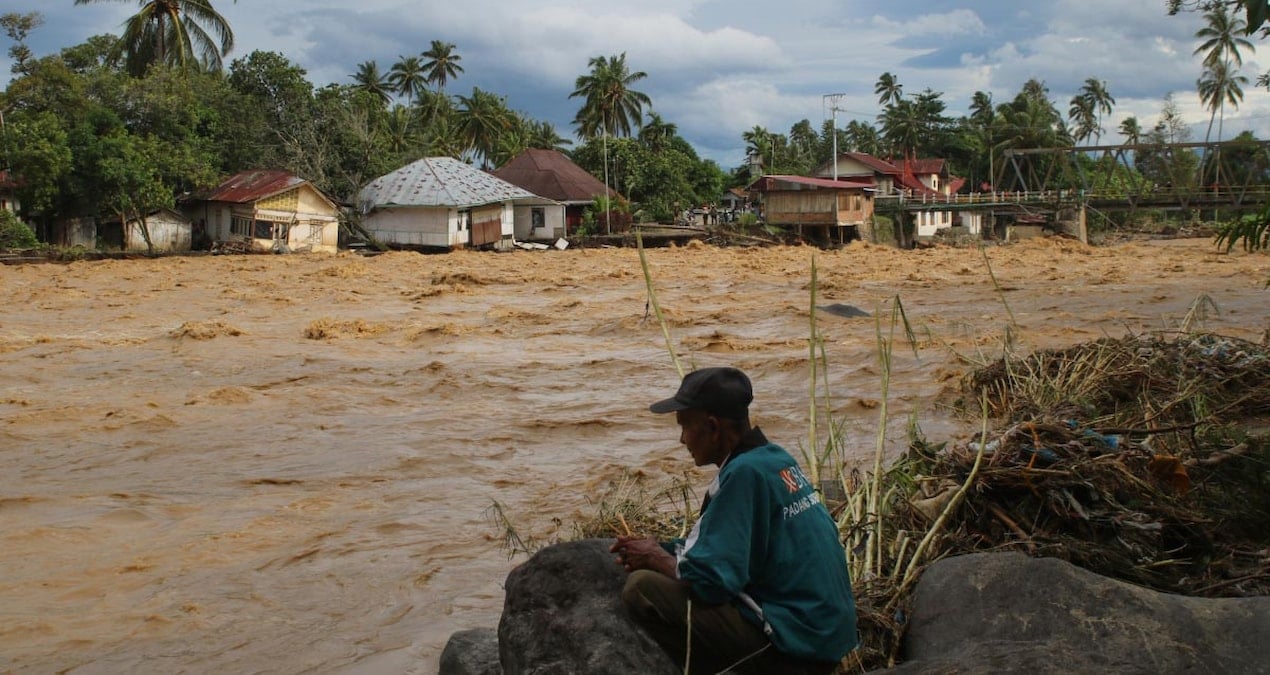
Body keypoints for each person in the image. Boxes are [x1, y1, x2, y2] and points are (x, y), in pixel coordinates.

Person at [611, 367, 858, 674]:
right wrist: (661, 548)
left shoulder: (743, 475)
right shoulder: (774, 459)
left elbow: (709, 582)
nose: (682, 439)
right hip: (824, 636)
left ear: (713, 427)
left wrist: (653, 557)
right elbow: (724, 544)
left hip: (797, 648)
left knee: (643, 588)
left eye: (685, 426)